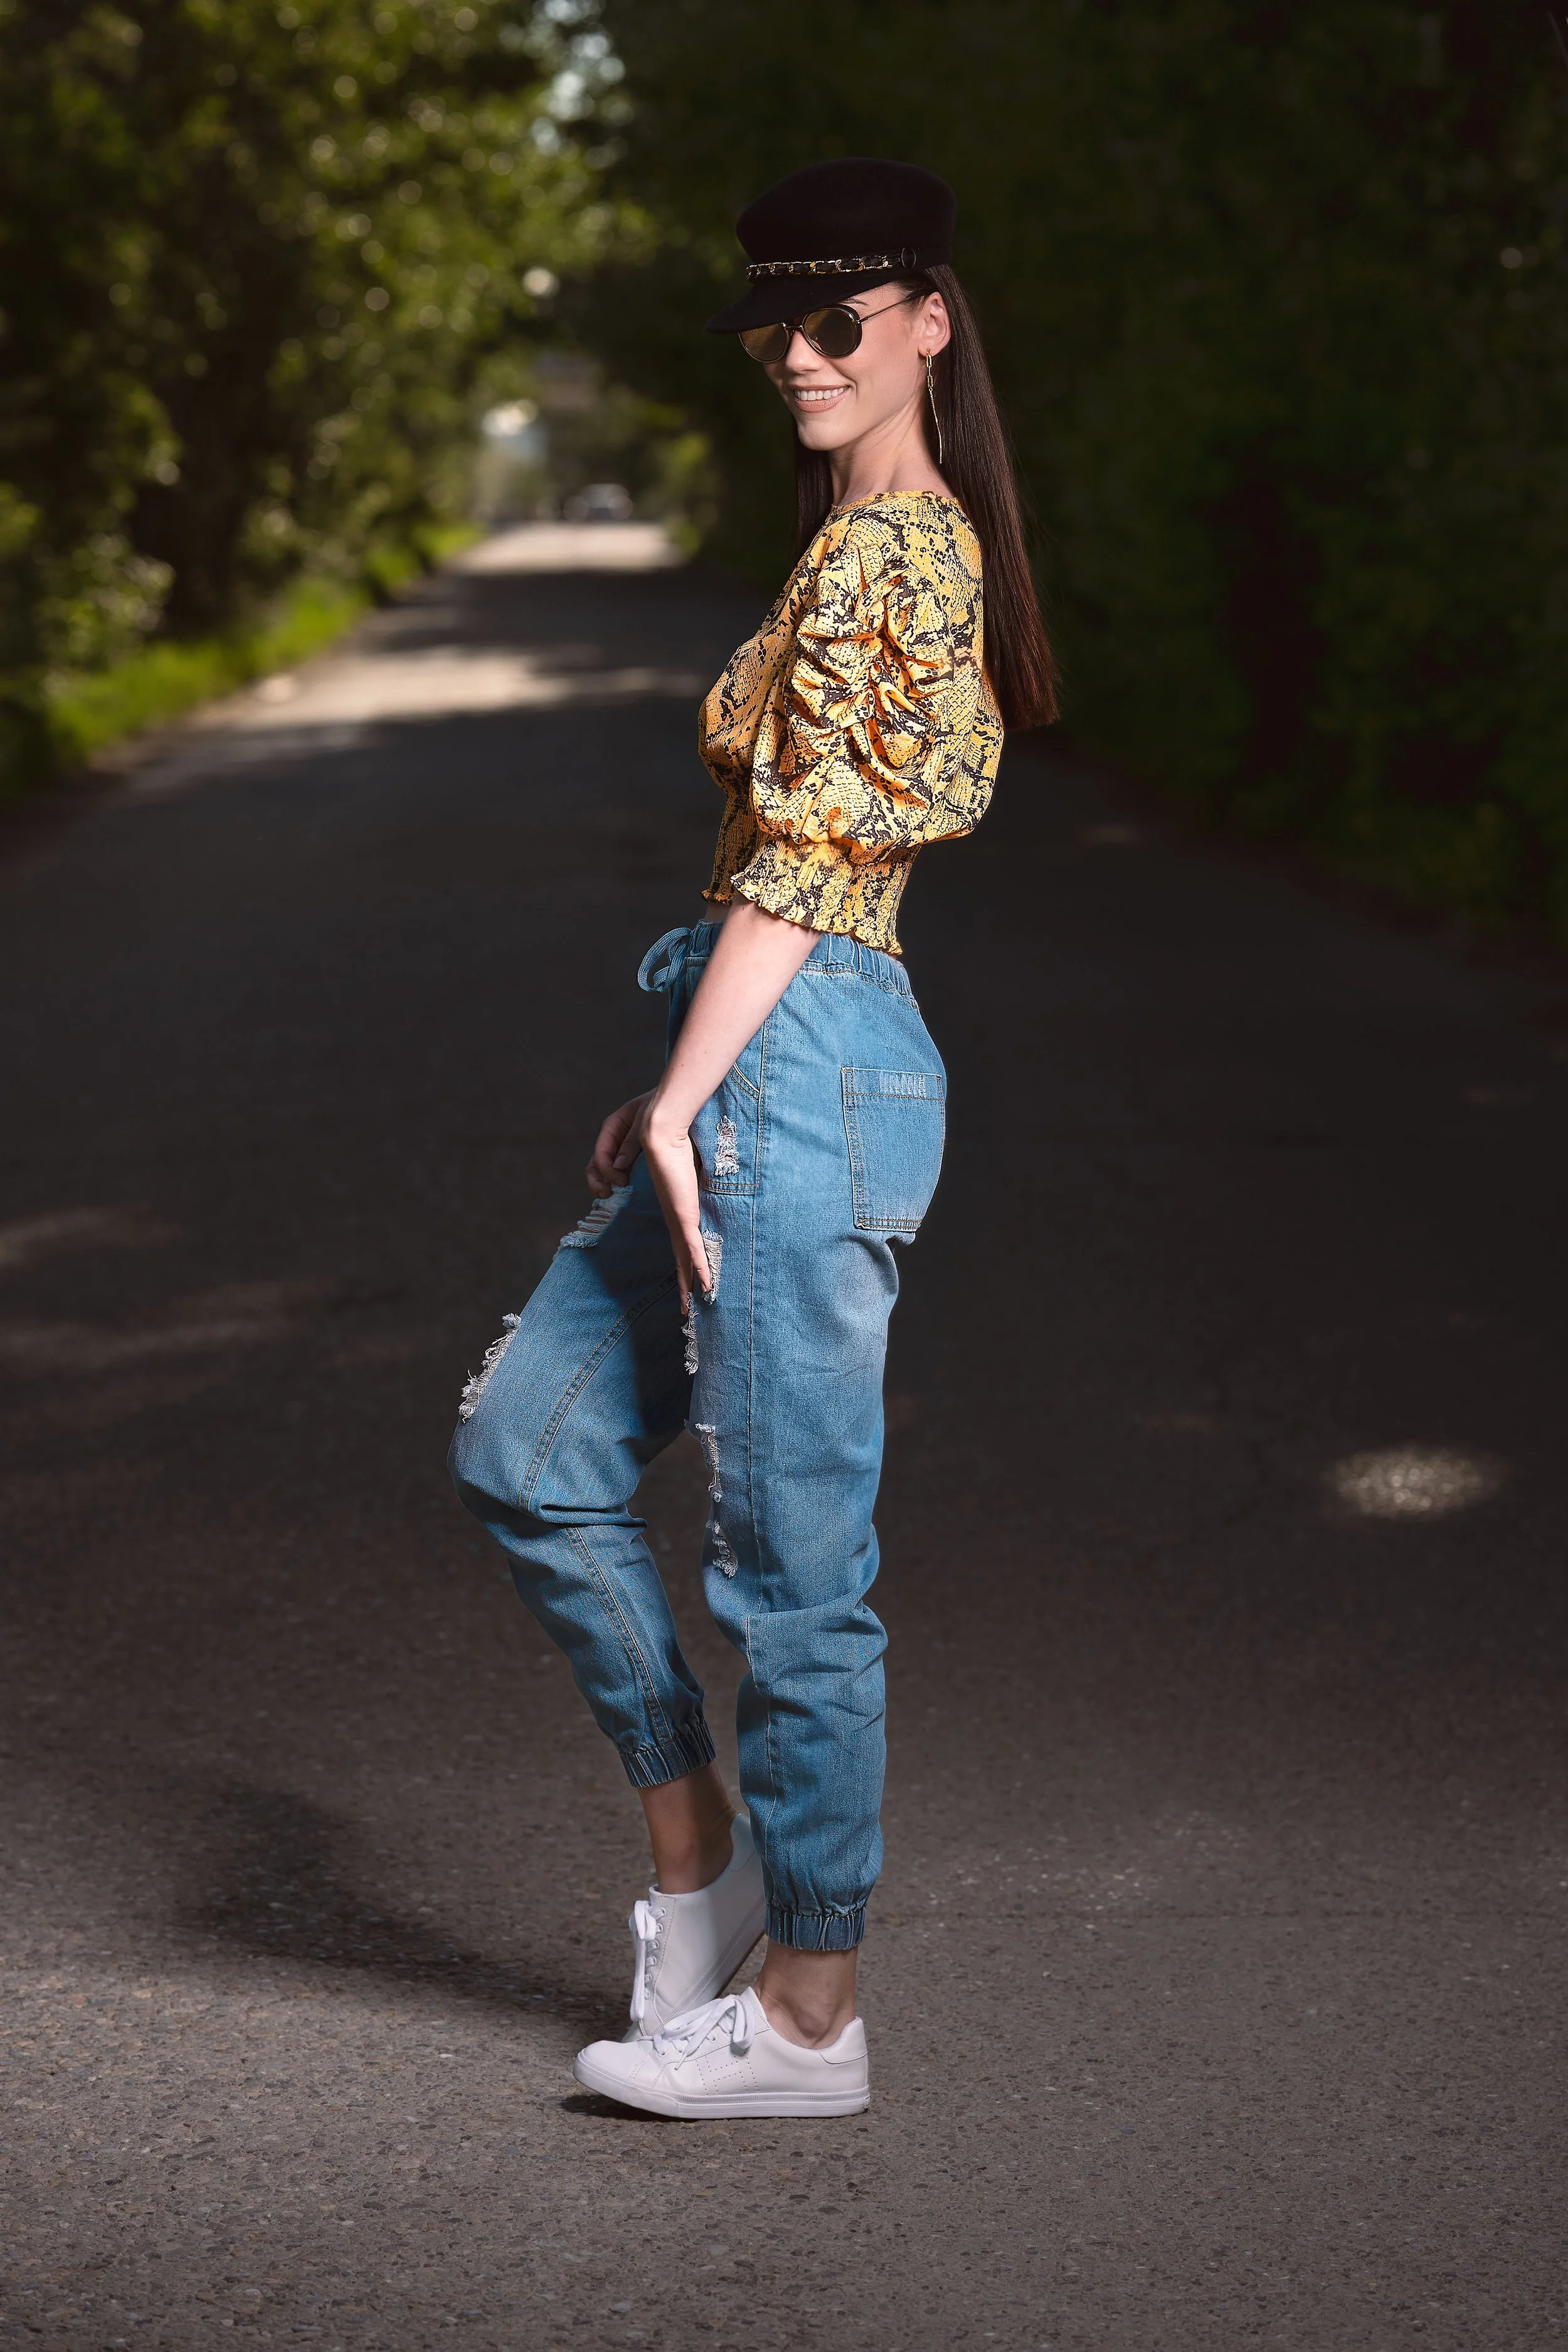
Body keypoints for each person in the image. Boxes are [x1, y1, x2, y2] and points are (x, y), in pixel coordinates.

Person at [448, 157, 1057, 2120]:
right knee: (526, 1448)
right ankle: (699, 1871)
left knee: (795, 1565)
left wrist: (695, 1090)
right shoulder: (856, 535)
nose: (795, 355)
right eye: (772, 325)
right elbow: (781, 863)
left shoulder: (903, 552)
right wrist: (681, 1074)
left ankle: (810, 2017)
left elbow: (811, 858)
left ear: (928, 322)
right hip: (757, 1040)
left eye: (837, 320)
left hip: (803, 1058)